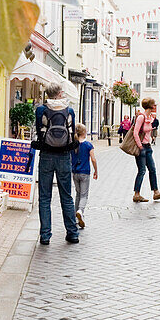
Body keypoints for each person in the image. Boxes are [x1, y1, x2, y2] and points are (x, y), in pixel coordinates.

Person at [31, 82, 80, 244]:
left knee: (44, 197)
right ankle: (72, 233)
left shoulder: (41, 110)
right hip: (64, 155)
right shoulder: (69, 110)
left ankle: (45, 236)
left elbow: (39, 130)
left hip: (46, 155)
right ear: (59, 93)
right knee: (66, 196)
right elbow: (73, 131)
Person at [131, 97, 160, 203]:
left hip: (148, 146)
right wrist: (140, 146)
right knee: (142, 171)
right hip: (142, 147)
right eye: (154, 105)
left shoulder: (149, 117)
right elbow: (135, 132)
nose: (155, 106)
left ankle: (156, 192)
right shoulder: (141, 117)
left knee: (152, 169)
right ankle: (136, 194)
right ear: (151, 106)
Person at [70, 123, 97, 229]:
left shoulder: (73, 145)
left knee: (78, 194)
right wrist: (96, 170)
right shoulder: (88, 145)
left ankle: (75, 217)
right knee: (84, 195)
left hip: (75, 172)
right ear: (84, 132)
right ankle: (80, 211)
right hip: (85, 172)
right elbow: (93, 159)